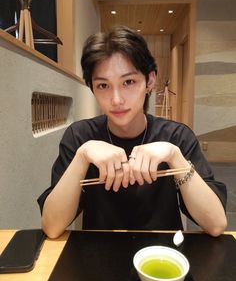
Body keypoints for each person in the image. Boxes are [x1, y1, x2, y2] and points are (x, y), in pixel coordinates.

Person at [38, 25, 227, 239]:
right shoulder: (80, 137)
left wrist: (176, 158)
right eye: (103, 86)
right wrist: (82, 156)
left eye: (128, 82)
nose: (116, 99)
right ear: (91, 87)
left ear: (150, 80)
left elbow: (216, 224)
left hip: (164, 254)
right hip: (99, 254)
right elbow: (52, 227)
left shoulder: (177, 137)